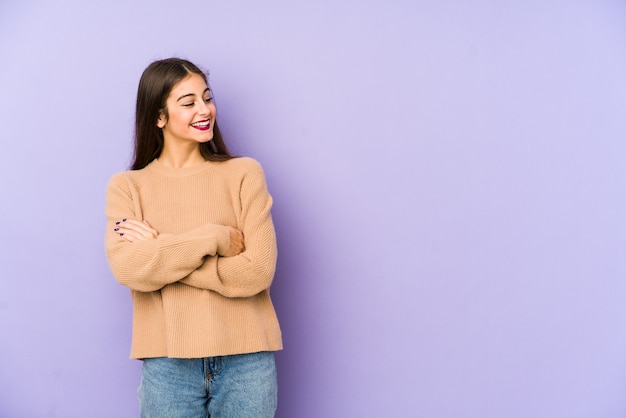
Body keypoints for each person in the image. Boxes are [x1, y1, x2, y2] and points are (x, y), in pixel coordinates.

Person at [104, 58, 282, 418]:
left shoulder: (243, 173)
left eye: (207, 98)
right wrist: (211, 238)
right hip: (167, 365)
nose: (205, 110)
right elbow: (127, 268)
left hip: (246, 362)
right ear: (158, 117)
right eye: (188, 103)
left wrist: (161, 252)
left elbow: (258, 271)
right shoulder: (128, 187)